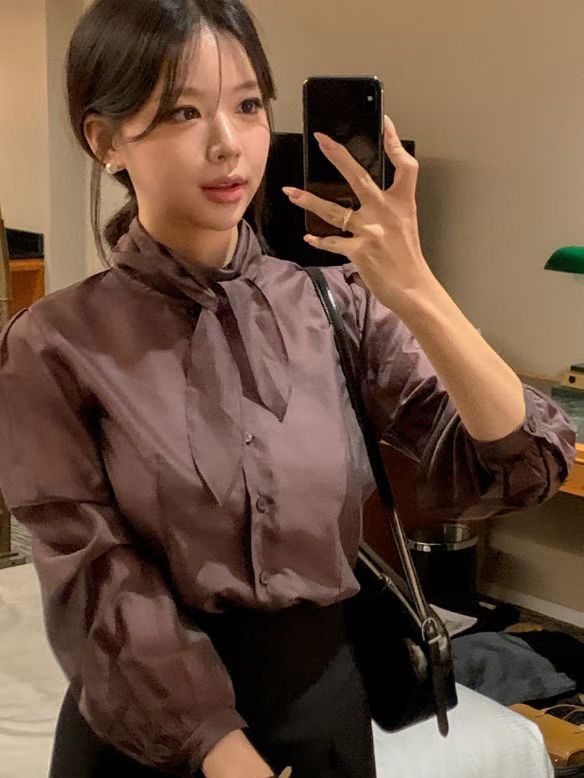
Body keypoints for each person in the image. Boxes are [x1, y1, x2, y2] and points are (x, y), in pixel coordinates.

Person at [0, 0, 577, 776]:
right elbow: (97, 579)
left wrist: (417, 288)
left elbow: (524, 463)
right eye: (182, 112)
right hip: (150, 731)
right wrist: (225, 757)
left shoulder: (337, 305)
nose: (227, 144)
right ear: (105, 141)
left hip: (322, 712)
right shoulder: (54, 343)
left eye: (248, 105)